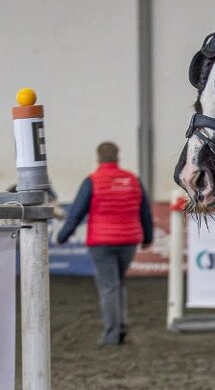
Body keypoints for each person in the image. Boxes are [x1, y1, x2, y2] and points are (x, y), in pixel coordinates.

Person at [57, 142, 153, 346]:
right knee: (119, 282)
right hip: (128, 241)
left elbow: (76, 213)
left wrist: (62, 236)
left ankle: (112, 334)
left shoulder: (92, 181)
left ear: (98, 159)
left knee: (109, 286)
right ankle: (122, 326)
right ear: (117, 158)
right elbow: (144, 211)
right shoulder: (133, 180)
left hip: (102, 243)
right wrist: (148, 237)